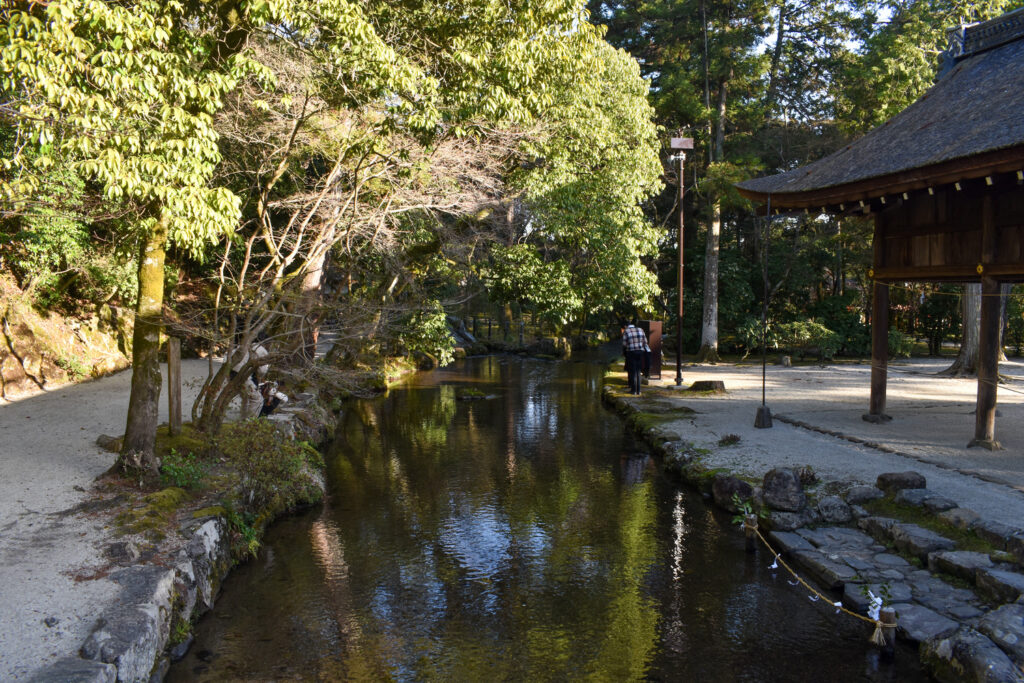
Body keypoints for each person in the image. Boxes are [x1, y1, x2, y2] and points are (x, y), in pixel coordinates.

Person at [621, 320, 648, 395]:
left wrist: (624, 351)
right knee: (638, 371)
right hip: (640, 352)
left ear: (625, 326)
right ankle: (639, 390)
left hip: (631, 352)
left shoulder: (626, 331)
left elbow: (624, 344)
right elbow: (645, 342)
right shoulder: (640, 329)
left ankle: (633, 390)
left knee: (632, 371)